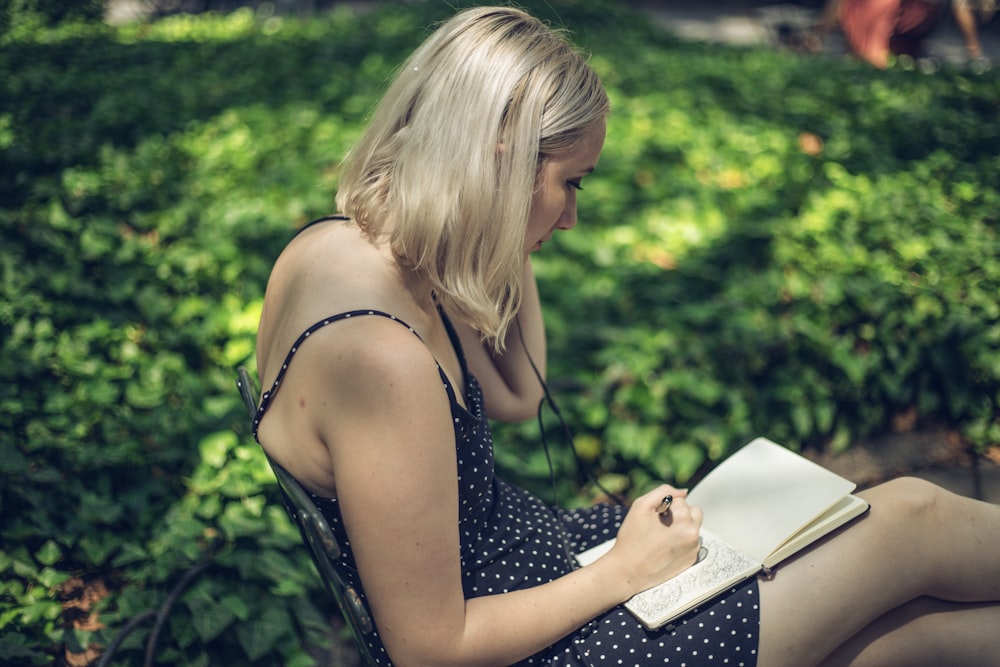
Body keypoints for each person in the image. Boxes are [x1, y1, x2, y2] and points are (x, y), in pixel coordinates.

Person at [252, 6, 1000, 666]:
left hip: (529, 565)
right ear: (499, 164)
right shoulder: (382, 362)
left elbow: (515, 392)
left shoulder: (335, 248)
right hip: (530, 628)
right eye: (571, 182)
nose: (572, 217)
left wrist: (500, 230)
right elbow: (430, 648)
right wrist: (624, 572)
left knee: (905, 635)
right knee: (912, 518)